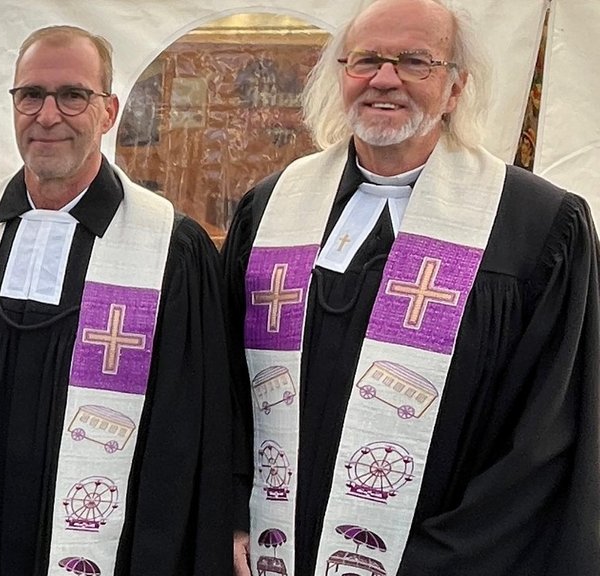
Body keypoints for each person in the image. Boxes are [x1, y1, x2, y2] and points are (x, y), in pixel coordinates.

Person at [222, 1, 600, 575]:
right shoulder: (272, 208)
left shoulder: (537, 227)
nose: (384, 79)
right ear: (341, 76)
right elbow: (223, 383)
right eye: (366, 60)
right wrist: (232, 511)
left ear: (455, 88)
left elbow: (547, 434)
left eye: (415, 62)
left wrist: (443, 561)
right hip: (275, 552)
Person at [0, 25, 233, 576]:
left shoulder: (170, 248)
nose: (47, 116)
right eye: (31, 95)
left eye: (73, 95)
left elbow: (189, 428)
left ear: (109, 111)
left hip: (108, 542)